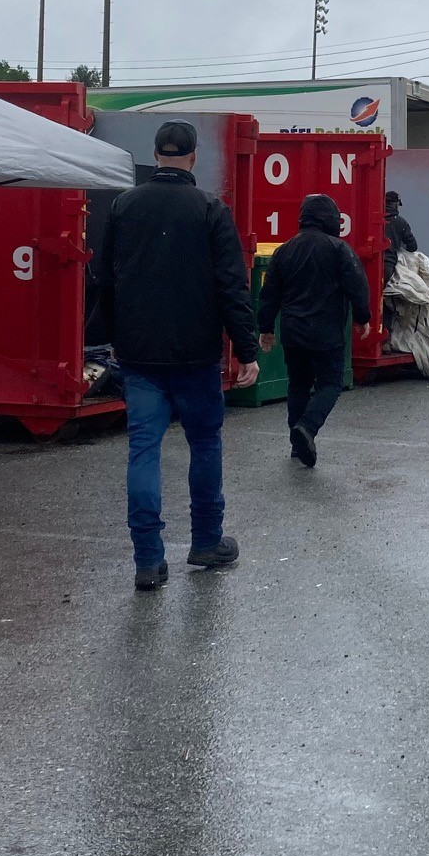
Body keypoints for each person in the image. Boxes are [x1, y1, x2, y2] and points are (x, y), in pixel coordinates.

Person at [90, 120, 261, 591]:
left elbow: (106, 277)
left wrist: (116, 337)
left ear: (156, 154)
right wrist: (246, 349)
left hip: (139, 354)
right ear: (193, 157)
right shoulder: (210, 209)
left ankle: (148, 559)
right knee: (204, 444)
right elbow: (231, 285)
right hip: (196, 353)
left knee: (143, 449)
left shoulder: (124, 205)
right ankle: (206, 541)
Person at [259, 193, 372, 468]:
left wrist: (266, 328)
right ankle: (307, 428)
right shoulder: (338, 249)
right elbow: (357, 285)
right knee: (330, 384)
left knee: (298, 385)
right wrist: (362, 318)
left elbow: (269, 294)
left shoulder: (284, 250)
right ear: (331, 219)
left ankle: (297, 446)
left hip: (293, 332)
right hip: (326, 332)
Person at [383, 189, 419, 324]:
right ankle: (384, 330)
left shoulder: (370, 218)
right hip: (388, 267)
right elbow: (412, 246)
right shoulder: (401, 222)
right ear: (395, 204)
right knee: (386, 301)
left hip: (367, 265)